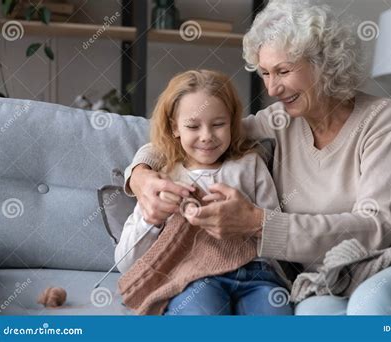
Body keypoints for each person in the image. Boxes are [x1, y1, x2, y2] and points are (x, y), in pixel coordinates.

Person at [123, 1, 391, 315]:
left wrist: (257, 223)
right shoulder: (280, 120)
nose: (272, 89)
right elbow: (196, 136)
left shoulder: (382, 119)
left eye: (283, 71)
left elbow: (375, 228)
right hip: (338, 271)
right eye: (264, 73)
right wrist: (140, 175)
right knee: (309, 317)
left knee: (374, 304)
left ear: (324, 63)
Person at [115, 69, 293, 316]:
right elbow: (126, 262)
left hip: (257, 277)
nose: (207, 136)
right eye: (193, 126)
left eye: (219, 124)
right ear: (174, 127)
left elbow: (277, 237)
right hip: (194, 277)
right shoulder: (164, 178)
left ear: (232, 121)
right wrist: (151, 220)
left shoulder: (250, 165)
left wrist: (247, 218)